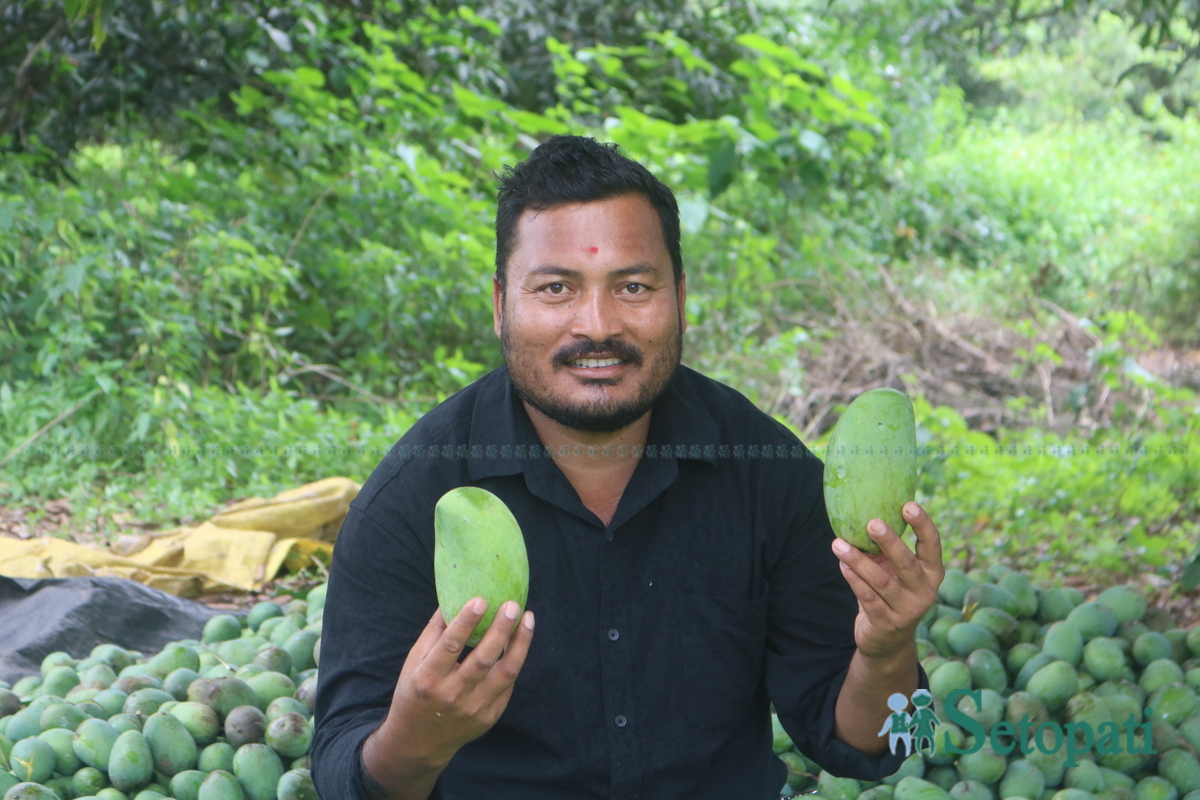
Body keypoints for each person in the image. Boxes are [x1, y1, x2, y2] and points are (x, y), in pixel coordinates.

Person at [311, 135, 945, 800]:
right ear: (500, 306)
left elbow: (882, 746)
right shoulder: (412, 500)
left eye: (633, 286)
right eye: (556, 288)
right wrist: (418, 735)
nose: (597, 325)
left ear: (681, 299)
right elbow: (341, 773)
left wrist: (888, 646)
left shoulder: (769, 476)